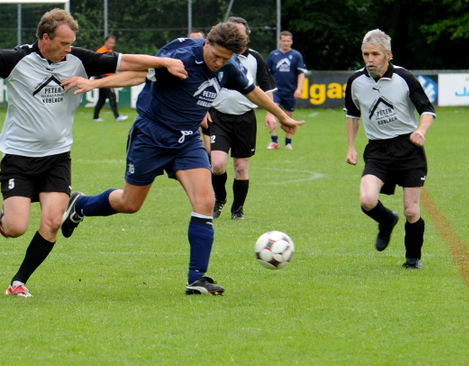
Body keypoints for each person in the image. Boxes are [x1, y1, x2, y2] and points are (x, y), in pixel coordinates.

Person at [0, 8, 187, 298]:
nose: (69, 49)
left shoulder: (79, 59)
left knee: (53, 222)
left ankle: (18, 281)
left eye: (71, 43)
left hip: (57, 158)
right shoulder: (14, 60)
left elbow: (128, 61)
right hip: (19, 158)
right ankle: (9, 212)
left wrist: (164, 62)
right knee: (15, 228)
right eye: (64, 43)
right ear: (45, 38)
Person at [59, 22, 304, 295]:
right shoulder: (182, 56)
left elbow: (252, 90)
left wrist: (281, 115)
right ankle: (80, 205)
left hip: (187, 141)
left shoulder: (229, 67)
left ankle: (196, 279)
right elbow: (139, 74)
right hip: (151, 135)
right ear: (207, 43)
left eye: (225, 59)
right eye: (215, 56)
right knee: (130, 203)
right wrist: (95, 83)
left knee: (205, 200)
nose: (218, 63)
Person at [345, 29, 436, 269]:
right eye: (366, 54)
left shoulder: (405, 78)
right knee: (367, 199)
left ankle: (413, 259)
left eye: (375, 54)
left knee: (411, 210)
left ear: (388, 54)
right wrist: (351, 147)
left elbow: (427, 111)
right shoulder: (355, 81)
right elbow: (352, 114)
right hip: (377, 150)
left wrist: (421, 131)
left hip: (409, 148)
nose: (370, 59)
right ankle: (386, 220)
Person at [201, 16, 276, 220]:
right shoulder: (217, 56)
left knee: (241, 168)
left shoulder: (255, 58)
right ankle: (220, 198)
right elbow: (202, 83)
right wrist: (202, 109)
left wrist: (271, 113)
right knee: (217, 165)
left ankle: (238, 210)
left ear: (246, 36)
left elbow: (267, 87)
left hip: (245, 119)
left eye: (239, 33)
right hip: (218, 117)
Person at [265, 30, 306, 149]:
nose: (286, 43)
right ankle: (274, 141)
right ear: (280, 41)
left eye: (288, 41)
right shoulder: (273, 55)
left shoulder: (296, 55)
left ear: (291, 42)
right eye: (284, 41)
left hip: (291, 91)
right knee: (273, 111)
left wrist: (299, 89)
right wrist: (267, 88)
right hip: (276, 91)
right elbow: (267, 73)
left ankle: (288, 142)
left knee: (289, 116)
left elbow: (301, 73)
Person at [92, 35, 128, 122]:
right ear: (106, 42)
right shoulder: (100, 52)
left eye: (113, 43)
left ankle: (96, 117)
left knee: (102, 98)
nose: (112, 45)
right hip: (104, 77)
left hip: (108, 77)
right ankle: (117, 116)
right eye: (110, 42)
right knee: (112, 96)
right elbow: (95, 65)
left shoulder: (111, 52)